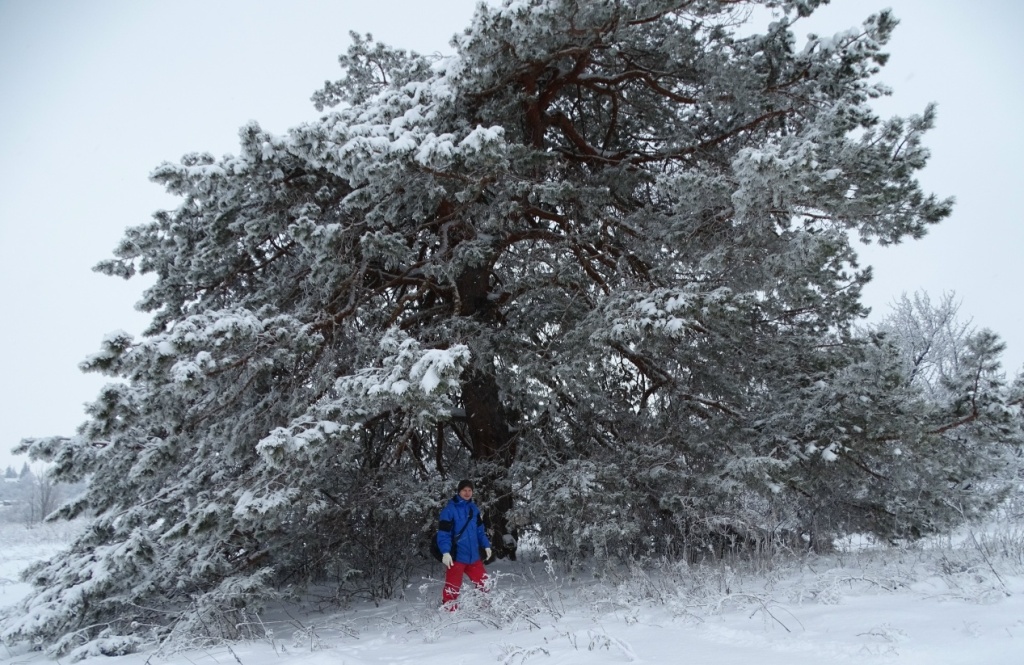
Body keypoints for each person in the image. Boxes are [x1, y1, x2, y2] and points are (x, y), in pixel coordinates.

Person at [436, 479, 492, 608]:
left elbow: (479, 530)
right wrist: (445, 552)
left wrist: (486, 545)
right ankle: (449, 612)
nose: (467, 493)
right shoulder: (449, 510)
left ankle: (485, 608)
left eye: (469, 490)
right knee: (452, 587)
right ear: (459, 491)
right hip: (457, 557)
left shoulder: (474, 509)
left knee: (484, 583)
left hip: (473, 557)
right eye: (464, 490)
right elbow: (444, 534)